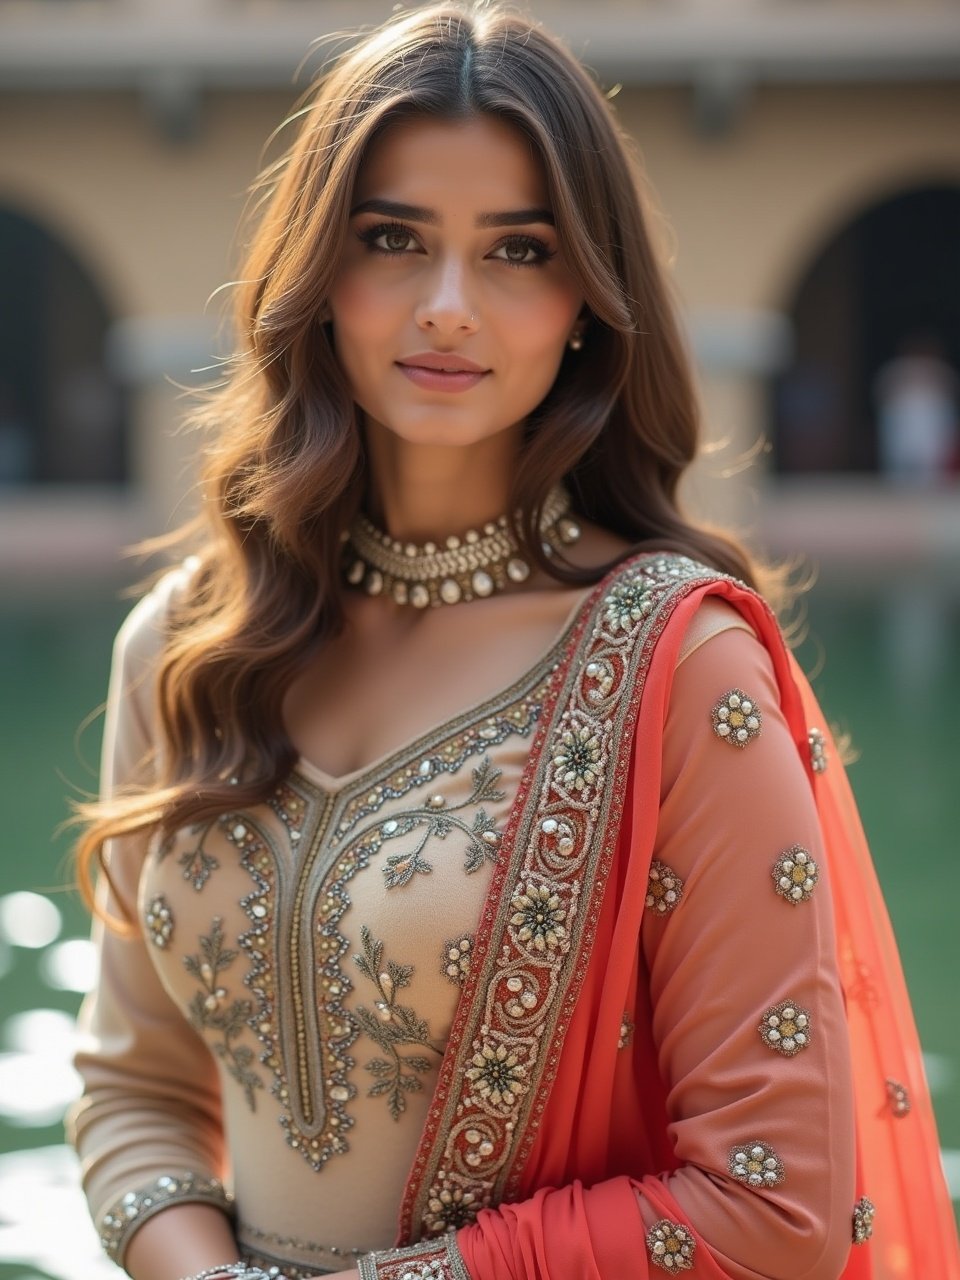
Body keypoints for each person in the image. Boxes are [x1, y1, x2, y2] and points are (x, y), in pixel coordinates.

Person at [67, 5, 959, 1279]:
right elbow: (129, 1089)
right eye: (393, 240)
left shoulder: (677, 670)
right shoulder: (189, 644)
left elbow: (777, 1207)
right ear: (319, 273)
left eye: (517, 251)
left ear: (588, 303)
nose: (446, 306)